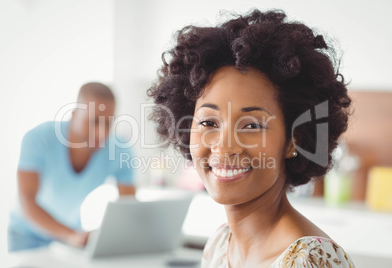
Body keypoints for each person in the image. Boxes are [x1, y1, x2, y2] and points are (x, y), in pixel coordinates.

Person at [148, 9, 355, 268]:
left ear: (294, 140)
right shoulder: (220, 245)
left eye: (251, 126)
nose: (223, 146)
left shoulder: (308, 260)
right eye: (209, 122)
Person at [8, 82, 136, 252]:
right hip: (26, 234)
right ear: (75, 115)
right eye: (94, 121)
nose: (101, 133)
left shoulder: (120, 150)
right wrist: (72, 236)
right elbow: (26, 200)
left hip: (71, 232)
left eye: (108, 123)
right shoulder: (38, 139)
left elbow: (128, 207)